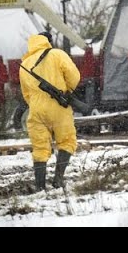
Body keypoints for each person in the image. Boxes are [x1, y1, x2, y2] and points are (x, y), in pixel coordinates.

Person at [19, 31, 81, 191]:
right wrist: (68, 91)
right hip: (58, 106)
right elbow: (74, 76)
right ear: (48, 41)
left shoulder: (24, 64)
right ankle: (58, 179)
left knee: (40, 147)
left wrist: (36, 103)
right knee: (67, 141)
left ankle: (40, 186)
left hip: (36, 110)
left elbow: (25, 93)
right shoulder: (57, 54)